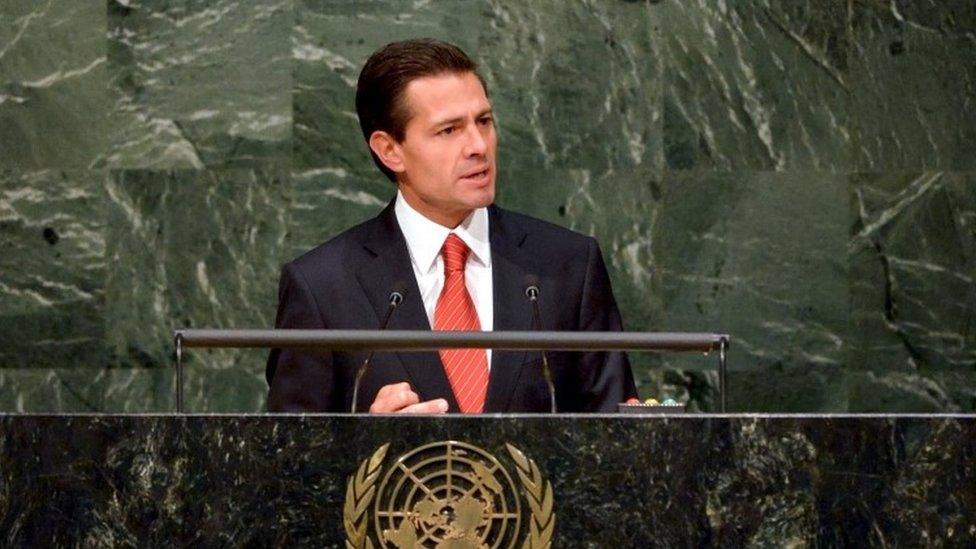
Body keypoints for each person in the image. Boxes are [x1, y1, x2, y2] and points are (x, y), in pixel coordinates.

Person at [266, 38, 637, 413]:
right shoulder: (322, 286)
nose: (478, 145)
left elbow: (618, 439)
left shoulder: (569, 265)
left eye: (484, 121)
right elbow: (286, 459)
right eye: (449, 130)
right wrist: (362, 444)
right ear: (390, 150)